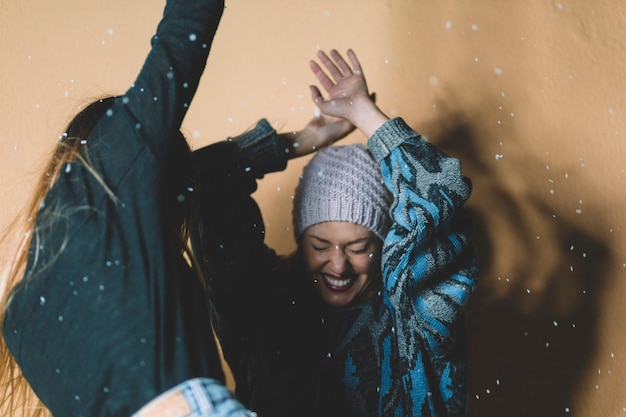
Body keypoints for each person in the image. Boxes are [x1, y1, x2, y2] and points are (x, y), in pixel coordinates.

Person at [0, 0, 258, 416]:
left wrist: (286, 143)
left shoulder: (21, 315)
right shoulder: (113, 161)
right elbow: (181, 38)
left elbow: (200, 176)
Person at [191, 49, 479, 416]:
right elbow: (198, 184)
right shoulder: (263, 305)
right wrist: (306, 138)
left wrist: (364, 114)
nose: (338, 266)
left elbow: (441, 193)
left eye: (358, 246)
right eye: (320, 245)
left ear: (387, 242)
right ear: (300, 238)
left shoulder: (413, 315)